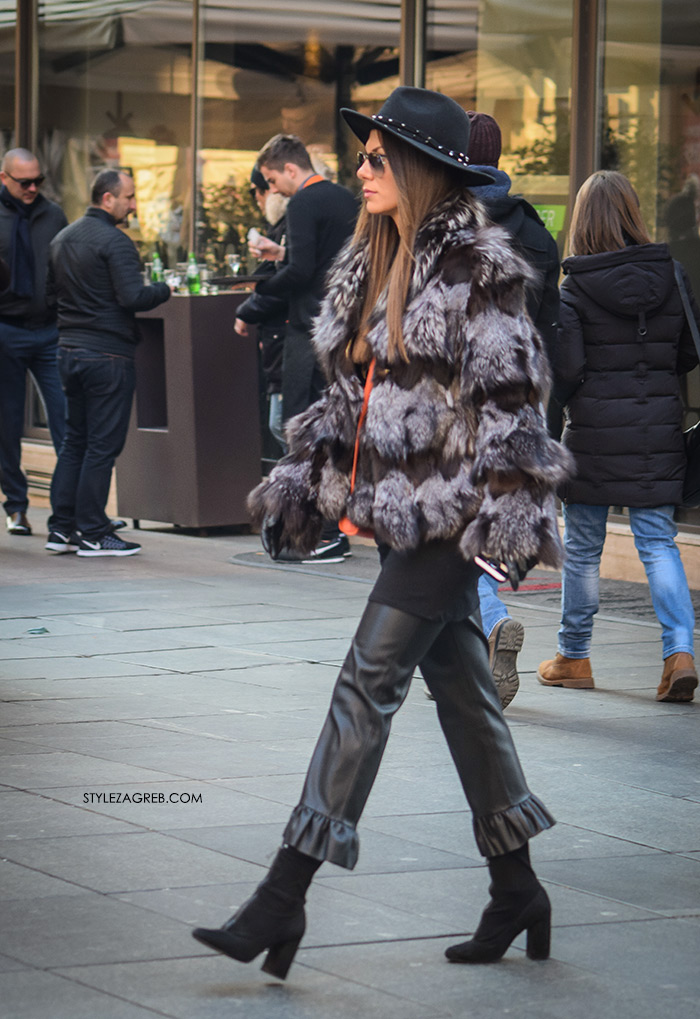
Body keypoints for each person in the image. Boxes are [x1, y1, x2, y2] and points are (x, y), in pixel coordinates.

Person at [192, 86, 572, 979]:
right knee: (466, 697)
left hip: (453, 519)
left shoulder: (481, 268)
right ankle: (516, 884)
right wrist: (302, 484)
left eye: (374, 159)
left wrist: (507, 520)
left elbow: (515, 403)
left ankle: (283, 895)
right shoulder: (373, 263)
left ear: (420, 170)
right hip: (405, 515)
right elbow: (343, 400)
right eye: (359, 157)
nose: (359, 170)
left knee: (367, 680)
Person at [538, 170, 700, 703]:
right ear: (633, 213)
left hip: (593, 437)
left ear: (584, 220)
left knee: (583, 550)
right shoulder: (672, 274)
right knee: (658, 544)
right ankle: (679, 653)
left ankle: (575, 656)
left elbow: (567, 371)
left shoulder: (576, 286)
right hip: (658, 432)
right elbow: (687, 355)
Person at [466, 111, 562, 710]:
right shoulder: (535, 231)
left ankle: (490, 621)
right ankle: (472, 651)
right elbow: (552, 328)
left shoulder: (443, 225)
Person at [45, 169, 171, 557]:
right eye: (129, 197)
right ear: (107, 199)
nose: (133, 205)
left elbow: (49, 296)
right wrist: (165, 289)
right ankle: (94, 531)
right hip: (108, 355)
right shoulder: (115, 241)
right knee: (101, 446)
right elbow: (133, 297)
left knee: (74, 442)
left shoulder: (62, 238)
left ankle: (62, 528)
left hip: (69, 350)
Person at [250, 133, 358, 563]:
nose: (272, 189)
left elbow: (300, 271)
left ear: (291, 170)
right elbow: (323, 261)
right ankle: (325, 527)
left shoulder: (301, 203)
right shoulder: (346, 200)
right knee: (325, 432)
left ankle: (321, 530)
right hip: (341, 331)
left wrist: (255, 302)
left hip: (307, 332)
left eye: (273, 179)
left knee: (298, 430)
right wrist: (282, 254)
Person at [0, 148, 68, 536]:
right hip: (5, 328)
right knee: (7, 424)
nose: (31, 188)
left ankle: (66, 509)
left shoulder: (53, 214)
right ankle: (16, 506)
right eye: (23, 181)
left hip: (48, 330)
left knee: (66, 419)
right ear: (4, 178)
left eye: (37, 181)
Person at [234, 166, 288, 453]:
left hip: (285, 337)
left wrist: (246, 310)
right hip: (279, 338)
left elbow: (280, 282)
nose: (261, 197)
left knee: (281, 424)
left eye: (263, 189)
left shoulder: (288, 225)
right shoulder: (280, 227)